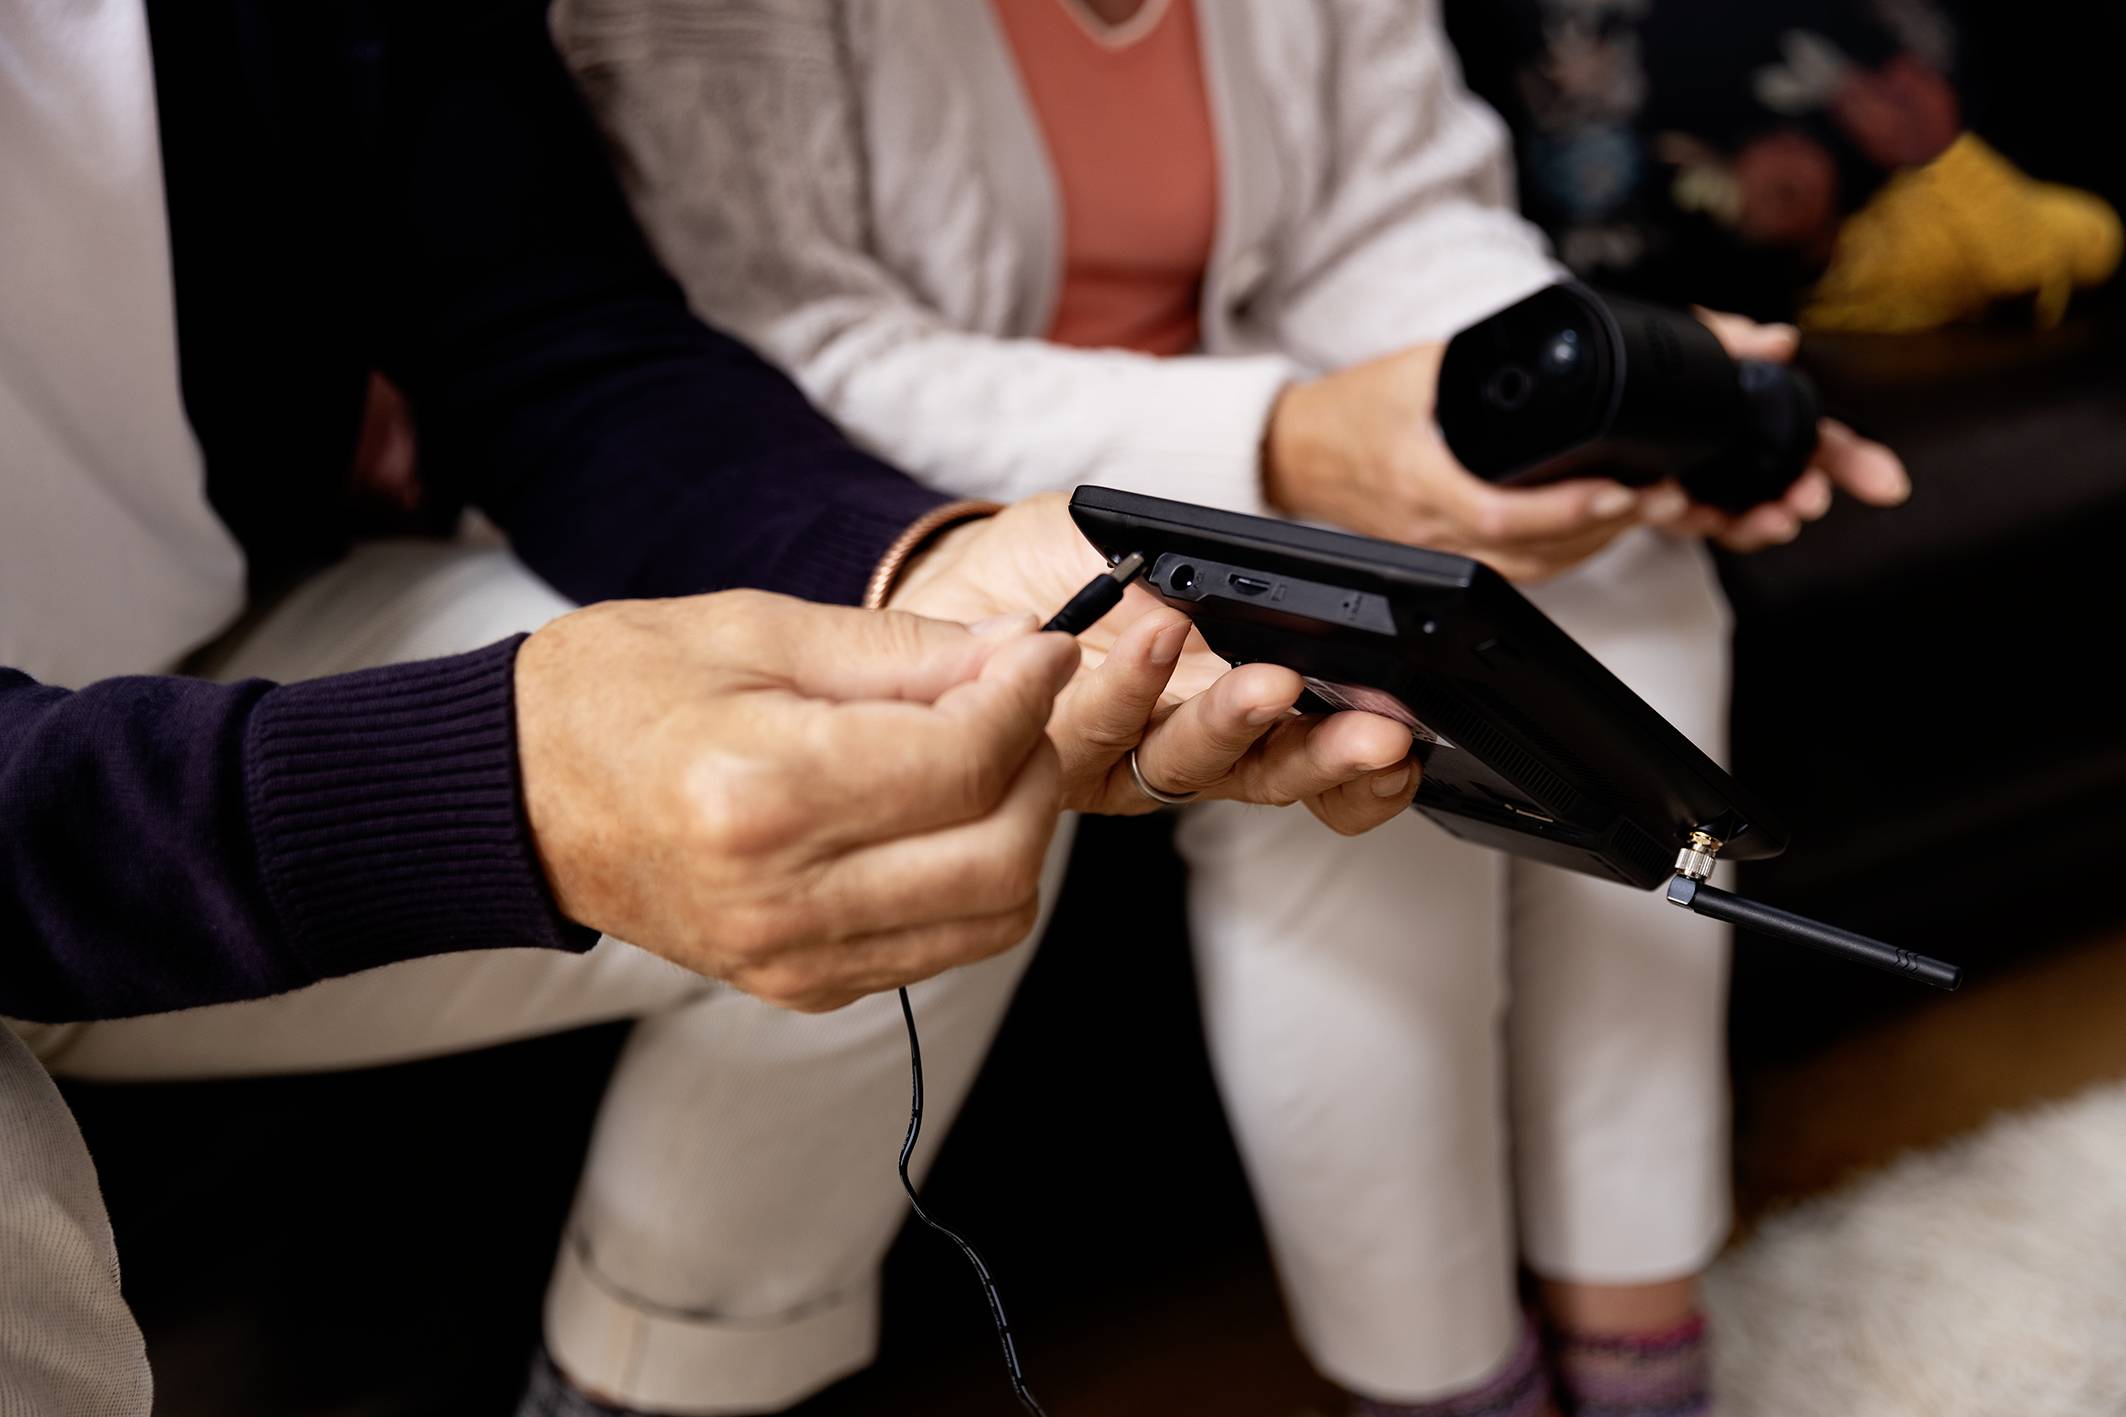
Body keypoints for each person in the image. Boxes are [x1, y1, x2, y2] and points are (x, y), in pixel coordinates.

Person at [0, 1, 1423, 1410]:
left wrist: (916, 569)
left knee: (911, 770)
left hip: (192, 648)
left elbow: (550, 338)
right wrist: (501, 790)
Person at [552, 1, 1914, 1414]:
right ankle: (1443, 1376)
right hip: (964, 492)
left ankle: (1630, 1313)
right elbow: (768, 353)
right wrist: (1284, 445)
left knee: (1621, 563)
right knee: (1352, 724)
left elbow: (1391, 217)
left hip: (1282, 416)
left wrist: (1574, 398)